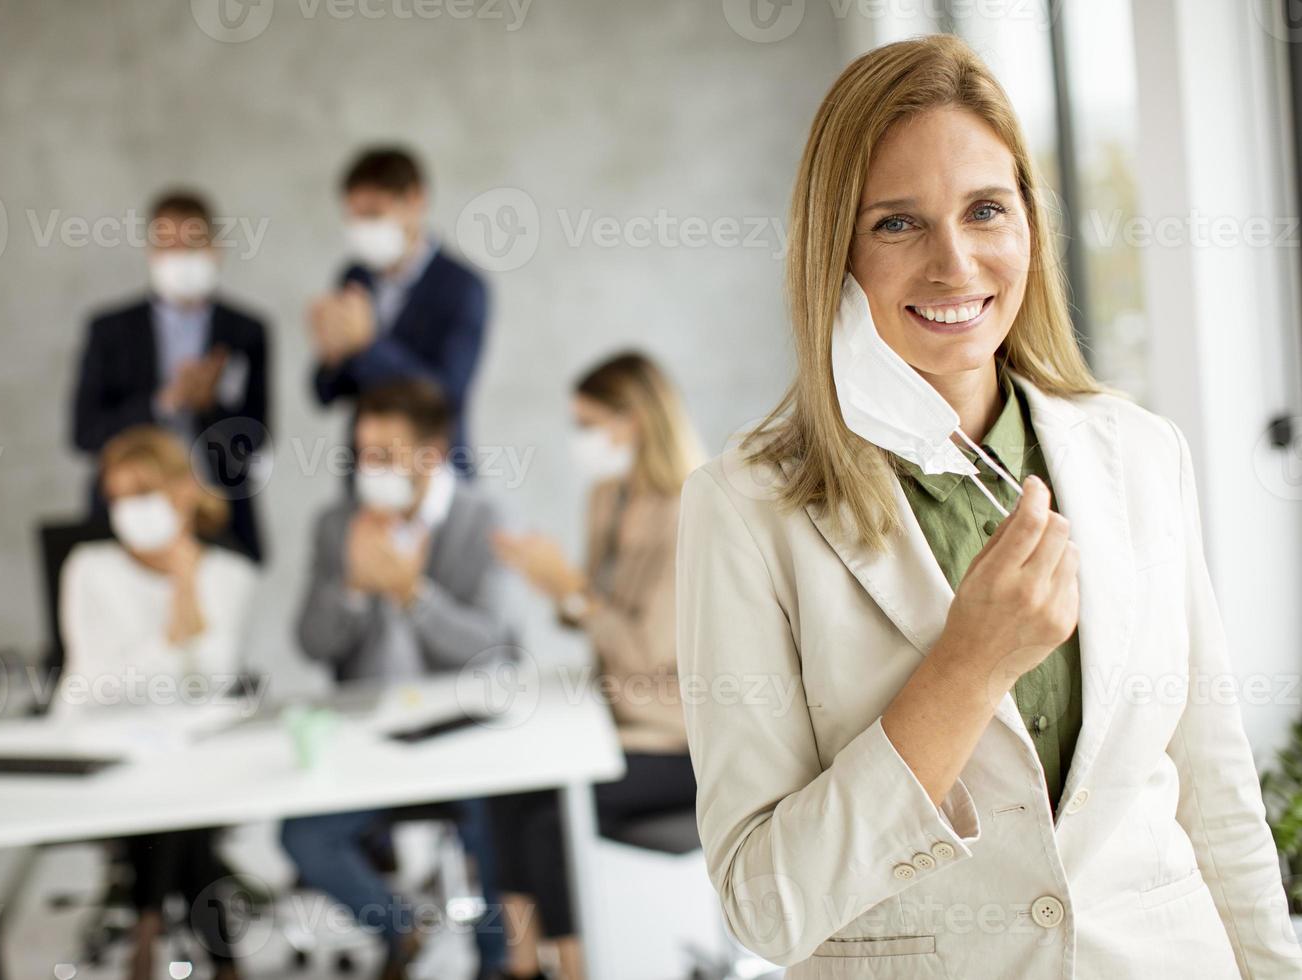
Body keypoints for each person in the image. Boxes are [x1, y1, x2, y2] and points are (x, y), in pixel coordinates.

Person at [676, 35, 1302, 980]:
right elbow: (766, 904)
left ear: (1030, 229)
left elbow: (1217, 803)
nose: (955, 263)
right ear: (833, 250)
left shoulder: (1140, 455)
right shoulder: (744, 509)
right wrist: (965, 671)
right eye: (896, 223)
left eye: (985, 211)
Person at [282, 379, 512, 980]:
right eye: (363, 454)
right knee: (303, 836)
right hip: (368, 739)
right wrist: (354, 587)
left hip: (457, 735)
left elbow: (494, 648)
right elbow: (310, 643)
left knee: (498, 821)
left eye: (386, 455)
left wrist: (414, 593)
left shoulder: (477, 518)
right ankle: (401, 927)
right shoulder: (337, 525)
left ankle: (497, 964)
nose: (369, 469)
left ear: (432, 453)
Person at [489, 351, 705, 980]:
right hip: (612, 722)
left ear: (633, 421)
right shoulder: (606, 498)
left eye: (588, 424)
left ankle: (574, 970)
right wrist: (555, 585)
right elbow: (590, 616)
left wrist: (574, 590)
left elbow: (644, 651)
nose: (578, 440)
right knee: (510, 791)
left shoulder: (691, 508)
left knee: (550, 816)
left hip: (677, 742)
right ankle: (521, 967)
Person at [58, 426, 256, 980]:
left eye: (142, 493)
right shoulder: (88, 568)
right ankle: (224, 961)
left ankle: (145, 936)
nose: (128, 510)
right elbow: (99, 684)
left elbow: (213, 683)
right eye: (117, 497)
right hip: (96, 749)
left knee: (177, 788)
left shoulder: (231, 574)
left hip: (188, 756)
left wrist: (188, 587)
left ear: (184, 493)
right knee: (173, 799)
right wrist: (173, 635)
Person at [72, 190, 270, 561]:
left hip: (216, 515)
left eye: (192, 243)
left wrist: (208, 404)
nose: (181, 256)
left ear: (215, 248)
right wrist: (165, 403)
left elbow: (255, 441)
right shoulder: (110, 331)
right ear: (151, 252)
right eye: (169, 244)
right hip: (129, 516)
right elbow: (84, 434)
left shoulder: (245, 331)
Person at [309, 147, 488, 473]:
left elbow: (448, 395)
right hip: (366, 471)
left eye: (374, 214)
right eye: (354, 216)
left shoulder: (463, 286)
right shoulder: (355, 276)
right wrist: (331, 357)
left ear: (415, 200)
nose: (362, 227)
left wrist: (368, 344)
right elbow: (326, 394)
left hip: (436, 471)